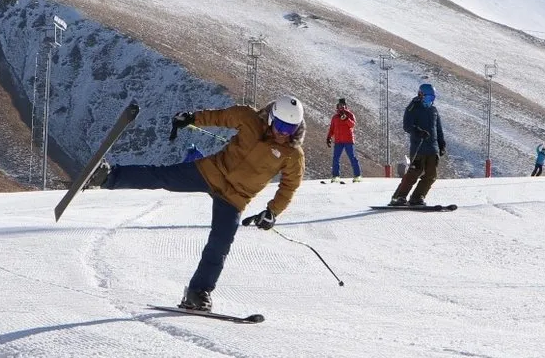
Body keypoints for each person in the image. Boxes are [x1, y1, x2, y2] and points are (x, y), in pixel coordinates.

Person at [87, 95, 306, 311]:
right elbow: (220, 117)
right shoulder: (249, 118)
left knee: (219, 246)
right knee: (161, 176)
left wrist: (272, 211)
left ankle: (198, 292)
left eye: (289, 129)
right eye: (279, 125)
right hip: (210, 172)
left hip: (235, 197)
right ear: (271, 117)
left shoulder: (292, 155)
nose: (282, 133)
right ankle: (107, 177)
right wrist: (192, 118)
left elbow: (289, 186)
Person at [389, 84, 445, 206]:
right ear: (421, 95)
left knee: (431, 175)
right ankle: (399, 197)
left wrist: (441, 144)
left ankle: (417, 197)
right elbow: (407, 125)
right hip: (419, 147)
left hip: (432, 148)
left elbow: (438, 129)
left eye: (432, 98)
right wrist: (418, 132)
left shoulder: (433, 110)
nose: (430, 101)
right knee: (413, 173)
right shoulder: (413, 107)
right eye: (428, 98)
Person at [326, 97, 362, 183]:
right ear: (337, 106)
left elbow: (352, 125)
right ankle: (336, 176)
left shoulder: (350, 115)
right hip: (338, 141)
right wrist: (329, 137)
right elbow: (332, 128)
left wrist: (346, 119)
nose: (341, 106)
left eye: (342, 105)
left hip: (348, 140)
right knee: (336, 158)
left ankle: (357, 176)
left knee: (352, 158)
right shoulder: (335, 117)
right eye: (339, 105)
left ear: (345, 106)